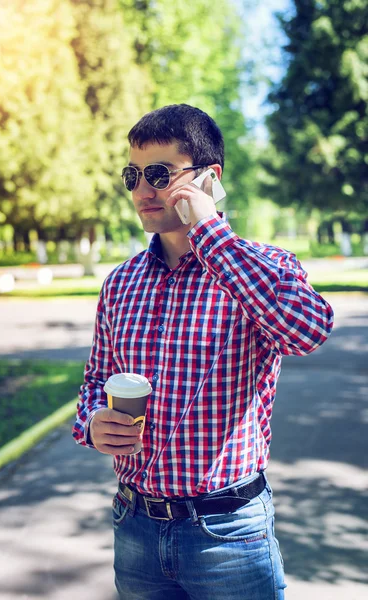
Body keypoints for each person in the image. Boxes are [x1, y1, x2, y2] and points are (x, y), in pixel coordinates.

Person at [73, 104, 334, 600]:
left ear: (209, 179)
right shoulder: (120, 282)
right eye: (133, 174)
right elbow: (94, 383)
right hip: (135, 527)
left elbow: (308, 331)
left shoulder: (264, 267)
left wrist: (210, 233)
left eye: (159, 174)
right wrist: (92, 423)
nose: (143, 190)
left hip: (228, 532)